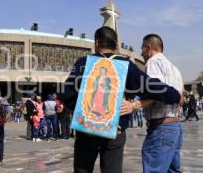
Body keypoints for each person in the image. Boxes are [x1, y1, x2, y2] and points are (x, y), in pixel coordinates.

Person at [62, 26, 182, 173]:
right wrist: (174, 95)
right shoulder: (126, 65)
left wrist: (81, 112)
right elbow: (151, 86)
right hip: (115, 129)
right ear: (116, 45)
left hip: (86, 129)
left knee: (83, 169)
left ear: (97, 42)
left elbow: (67, 94)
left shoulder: (82, 63)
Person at [137, 34, 184, 173]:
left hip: (161, 128)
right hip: (175, 127)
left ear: (149, 48)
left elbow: (155, 90)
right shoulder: (175, 69)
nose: (141, 53)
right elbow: (180, 98)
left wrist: (136, 104)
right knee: (173, 170)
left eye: (142, 49)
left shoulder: (152, 63)